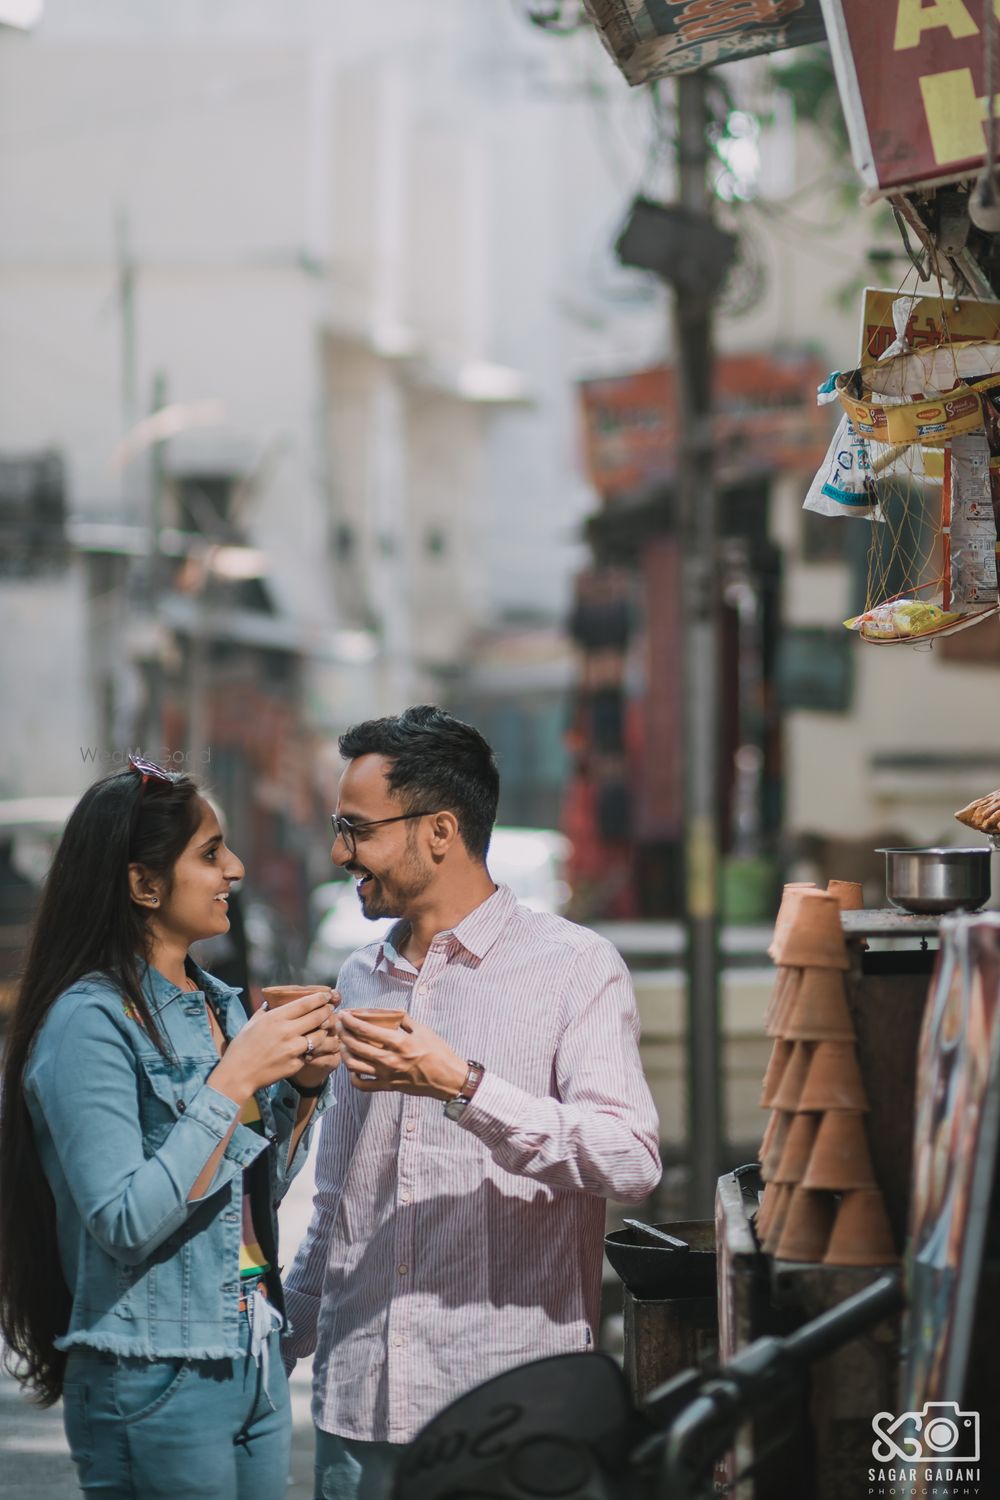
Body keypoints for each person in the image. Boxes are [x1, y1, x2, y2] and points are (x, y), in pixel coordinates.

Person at [283, 706, 661, 1500]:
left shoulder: (574, 967)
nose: (339, 852)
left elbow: (630, 1161)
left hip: (508, 1417)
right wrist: (279, 1342)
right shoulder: (358, 977)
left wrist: (465, 1087)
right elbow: (340, 1196)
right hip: (359, 1412)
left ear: (440, 831)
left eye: (357, 829)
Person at [0, 757, 341, 1500]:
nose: (237, 869)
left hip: (252, 1350)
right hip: (157, 1368)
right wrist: (235, 1079)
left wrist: (304, 1089)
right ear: (143, 884)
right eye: (211, 853)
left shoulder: (219, 1006)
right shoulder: (86, 1023)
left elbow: (250, 1196)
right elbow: (123, 1220)